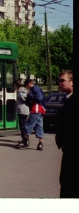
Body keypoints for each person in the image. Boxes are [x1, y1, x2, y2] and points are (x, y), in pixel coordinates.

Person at [55, 70, 76, 198]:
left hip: (72, 150)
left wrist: (64, 141)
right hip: (69, 149)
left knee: (68, 183)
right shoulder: (68, 99)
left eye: (62, 80)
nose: (59, 83)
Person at [23, 78, 45, 150]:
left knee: (28, 125)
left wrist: (29, 96)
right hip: (40, 110)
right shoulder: (37, 88)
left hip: (35, 109)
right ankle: (40, 143)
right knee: (39, 126)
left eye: (27, 85)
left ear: (29, 84)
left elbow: (38, 98)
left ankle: (25, 140)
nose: (27, 87)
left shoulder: (34, 89)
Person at [15, 80, 30, 148]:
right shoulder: (22, 91)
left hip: (23, 110)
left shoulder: (21, 92)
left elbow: (25, 99)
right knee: (22, 125)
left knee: (22, 125)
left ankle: (25, 140)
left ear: (17, 86)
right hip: (22, 110)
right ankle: (24, 139)